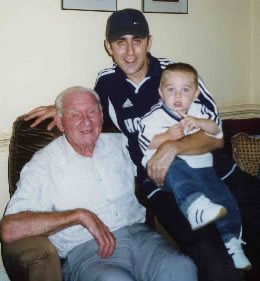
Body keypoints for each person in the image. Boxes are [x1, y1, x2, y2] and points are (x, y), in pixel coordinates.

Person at [23, 8, 258, 281]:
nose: (130, 51)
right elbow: (87, 107)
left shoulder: (178, 76)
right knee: (214, 260)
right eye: (120, 42)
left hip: (217, 172)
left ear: (149, 41)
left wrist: (173, 147)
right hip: (163, 186)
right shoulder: (107, 83)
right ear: (108, 47)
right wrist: (61, 109)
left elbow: (216, 139)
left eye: (137, 40)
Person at [0, 86, 198, 281]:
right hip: (87, 251)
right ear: (60, 123)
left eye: (92, 111)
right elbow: (9, 229)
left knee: (182, 267)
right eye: (75, 114)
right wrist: (78, 215)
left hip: (143, 240)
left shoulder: (123, 143)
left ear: (102, 116)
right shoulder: (43, 164)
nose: (86, 121)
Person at [138, 62, 251, 269]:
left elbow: (216, 132)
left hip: (203, 167)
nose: (178, 96)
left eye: (185, 90)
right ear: (161, 93)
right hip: (167, 169)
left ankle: (232, 242)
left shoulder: (199, 110)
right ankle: (194, 206)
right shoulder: (153, 116)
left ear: (196, 93)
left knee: (225, 198)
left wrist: (199, 123)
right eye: (171, 90)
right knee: (178, 170)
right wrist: (166, 137)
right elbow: (144, 143)